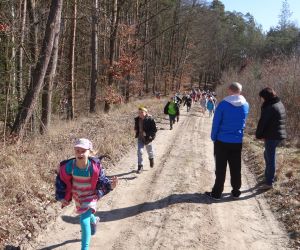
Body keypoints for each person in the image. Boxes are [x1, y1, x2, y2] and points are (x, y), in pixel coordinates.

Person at [57, 138, 118, 250]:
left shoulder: (94, 167)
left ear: (89, 152)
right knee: (87, 215)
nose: (80, 153)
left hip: (91, 196)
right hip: (78, 196)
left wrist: (110, 186)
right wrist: (61, 197)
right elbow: (61, 181)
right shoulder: (70, 166)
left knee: (83, 219)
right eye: (77, 151)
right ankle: (94, 220)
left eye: (83, 151)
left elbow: (102, 181)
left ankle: (84, 248)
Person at [205, 82, 249, 200]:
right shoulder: (246, 105)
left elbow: (216, 123)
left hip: (222, 141)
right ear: (240, 91)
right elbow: (243, 123)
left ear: (230, 90)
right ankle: (236, 191)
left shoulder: (223, 104)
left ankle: (217, 193)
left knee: (220, 167)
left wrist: (213, 137)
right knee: (236, 167)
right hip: (237, 141)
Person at [255, 87, 287, 189]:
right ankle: (267, 176)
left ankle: (269, 182)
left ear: (266, 97)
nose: (262, 100)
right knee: (267, 154)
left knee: (270, 157)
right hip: (277, 134)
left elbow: (263, 122)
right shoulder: (279, 103)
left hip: (272, 136)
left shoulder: (270, 107)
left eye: (262, 98)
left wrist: (259, 135)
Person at [134, 106, 157, 173]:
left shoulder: (150, 119)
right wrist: (136, 129)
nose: (140, 114)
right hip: (140, 138)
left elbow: (154, 130)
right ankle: (140, 167)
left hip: (148, 138)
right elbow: (137, 127)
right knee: (140, 152)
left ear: (146, 112)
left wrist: (147, 133)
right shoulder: (137, 119)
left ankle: (151, 159)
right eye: (139, 112)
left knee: (149, 151)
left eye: (141, 112)